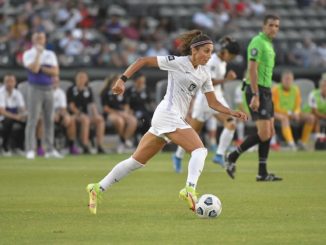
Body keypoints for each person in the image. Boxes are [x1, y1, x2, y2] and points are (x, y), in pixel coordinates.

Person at [86, 30, 247, 214]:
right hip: (167, 114)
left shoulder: (204, 74)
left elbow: (213, 102)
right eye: (206, 51)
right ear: (194, 50)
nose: (209, 56)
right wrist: (122, 80)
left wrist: (232, 112)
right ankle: (190, 189)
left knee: (135, 162)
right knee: (200, 150)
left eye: (211, 52)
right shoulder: (178, 62)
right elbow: (143, 61)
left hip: (169, 118)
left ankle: (97, 188)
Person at [225, 14, 282, 181]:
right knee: (264, 133)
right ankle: (232, 156)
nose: (274, 28)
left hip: (266, 90)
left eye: (277, 26)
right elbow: (252, 70)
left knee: (269, 131)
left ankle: (262, 173)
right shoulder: (257, 42)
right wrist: (256, 94)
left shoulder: (269, 44)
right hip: (256, 90)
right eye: (271, 25)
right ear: (264, 26)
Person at [172, 36, 240, 172]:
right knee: (192, 132)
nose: (231, 59)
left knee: (231, 123)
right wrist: (226, 79)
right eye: (231, 56)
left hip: (218, 98)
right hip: (205, 100)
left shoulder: (222, 61)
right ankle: (178, 156)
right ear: (224, 51)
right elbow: (207, 82)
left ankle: (219, 155)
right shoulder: (211, 61)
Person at [22, 31, 62, 159]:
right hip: (35, 88)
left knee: (49, 120)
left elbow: (55, 72)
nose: (40, 40)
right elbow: (33, 69)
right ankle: (30, 149)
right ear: (33, 40)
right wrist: (38, 54)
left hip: (49, 88)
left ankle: (50, 149)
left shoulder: (50, 54)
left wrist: (41, 68)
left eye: (42, 38)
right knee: (32, 119)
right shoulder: (28, 54)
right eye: (37, 38)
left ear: (44, 40)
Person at [272, 70, 315, 150]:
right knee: (284, 119)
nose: (288, 81)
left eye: (290, 79)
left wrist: (296, 112)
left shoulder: (296, 89)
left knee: (311, 118)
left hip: (292, 113)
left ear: (293, 80)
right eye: (286, 79)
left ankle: (302, 143)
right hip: (278, 113)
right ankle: (291, 144)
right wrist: (290, 114)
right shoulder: (276, 89)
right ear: (282, 80)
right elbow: (275, 107)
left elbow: (298, 105)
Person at [66, 71, 106, 154]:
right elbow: (71, 106)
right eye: (80, 77)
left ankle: (99, 145)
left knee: (100, 120)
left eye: (83, 77)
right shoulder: (71, 89)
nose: (81, 79)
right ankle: (85, 145)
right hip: (74, 114)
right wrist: (80, 114)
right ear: (76, 78)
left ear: (87, 79)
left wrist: (96, 115)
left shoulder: (88, 89)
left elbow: (92, 104)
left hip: (86, 114)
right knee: (85, 120)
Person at [101, 74, 138, 152]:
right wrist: (118, 113)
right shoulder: (105, 92)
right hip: (111, 113)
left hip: (122, 113)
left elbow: (126, 105)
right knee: (120, 121)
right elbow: (106, 108)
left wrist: (125, 112)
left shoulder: (123, 91)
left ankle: (124, 141)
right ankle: (123, 141)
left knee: (133, 120)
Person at [0, 74, 26, 155]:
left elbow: (23, 109)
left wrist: (25, 115)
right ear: (4, 83)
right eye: (7, 81)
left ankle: (19, 147)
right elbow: (2, 111)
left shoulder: (17, 93)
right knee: (8, 121)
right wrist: (16, 117)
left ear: (15, 83)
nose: (9, 84)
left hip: (14, 117)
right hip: (2, 118)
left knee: (27, 122)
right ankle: (4, 147)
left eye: (11, 81)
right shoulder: (1, 93)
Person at [52, 76, 79, 155]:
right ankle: (42, 147)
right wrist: (52, 114)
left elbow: (63, 108)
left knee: (70, 120)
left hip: (58, 115)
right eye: (53, 81)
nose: (55, 83)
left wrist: (66, 115)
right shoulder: (45, 91)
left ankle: (71, 146)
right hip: (46, 115)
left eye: (56, 81)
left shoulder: (60, 92)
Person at [308, 76, 326, 141]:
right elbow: (314, 112)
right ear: (320, 87)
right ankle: (317, 140)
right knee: (316, 118)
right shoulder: (313, 94)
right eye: (324, 86)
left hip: (322, 115)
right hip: (309, 113)